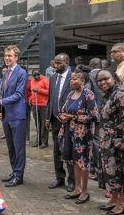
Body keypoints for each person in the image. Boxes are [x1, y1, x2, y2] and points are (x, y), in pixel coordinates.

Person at [96, 70, 124, 215]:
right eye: (99, 80)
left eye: (106, 79)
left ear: (114, 78)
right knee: (112, 173)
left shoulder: (122, 95)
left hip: (119, 143)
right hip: (107, 142)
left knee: (121, 172)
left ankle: (121, 204)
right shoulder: (108, 96)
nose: (103, 82)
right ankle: (113, 200)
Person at [0, 45, 28, 187]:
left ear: (16, 57)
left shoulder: (22, 73)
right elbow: (4, 94)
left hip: (17, 116)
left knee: (19, 147)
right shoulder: (5, 74)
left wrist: (0, 101)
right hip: (6, 116)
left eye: (10, 56)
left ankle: (19, 176)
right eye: (6, 56)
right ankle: (14, 171)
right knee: (11, 147)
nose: (7, 58)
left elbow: (18, 95)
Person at [58, 69, 99, 204]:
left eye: (75, 79)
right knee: (75, 160)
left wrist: (73, 117)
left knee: (83, 162)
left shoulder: (88, 95)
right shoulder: (70, 94)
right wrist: (62, 116)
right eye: (71, 79)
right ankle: (77, 188)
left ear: (83, 81)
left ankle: (85, 191)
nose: (72, 81)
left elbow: (94, 116)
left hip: (83, 134)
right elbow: (64, 110)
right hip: (70, 132)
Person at [46, 53, 75, 192]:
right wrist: (47, 117)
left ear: (67, 62)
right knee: (57, 151)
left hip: (70, 121)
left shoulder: (75, 77)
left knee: (68, 150)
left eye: (58, 63)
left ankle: (72, 180)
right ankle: (59, 178)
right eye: (54, 63)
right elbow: (50, 99)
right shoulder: (52, 77)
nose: (55, 65)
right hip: (55, 120)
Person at [88, 58, 103, 181]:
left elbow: (87, 94)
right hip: (106, 113)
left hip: (94, 114)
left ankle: (98, 169)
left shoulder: (90, 76)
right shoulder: (106, 75)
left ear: (91, 65)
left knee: (95, 141)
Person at [29, 70, 49, 148]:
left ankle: (44, 142)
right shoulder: (32, 81)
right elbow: (32, 92)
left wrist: (39, 90)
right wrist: (30, 98)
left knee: (44, 124)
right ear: (32, 76)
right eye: (35, 75)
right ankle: (38, 141)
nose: (37, 76)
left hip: (43, 105)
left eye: (38, 74)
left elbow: (49, 91)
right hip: (35, 105)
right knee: (37, 123)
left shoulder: (45, 80)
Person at [0, 66, 7, 140]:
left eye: (6, 71)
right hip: (1, 101)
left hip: (8, 102)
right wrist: (0, 100)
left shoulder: (10, 79)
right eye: (3, 71)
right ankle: (5, 132)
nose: (4, 72)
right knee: (3, 117)